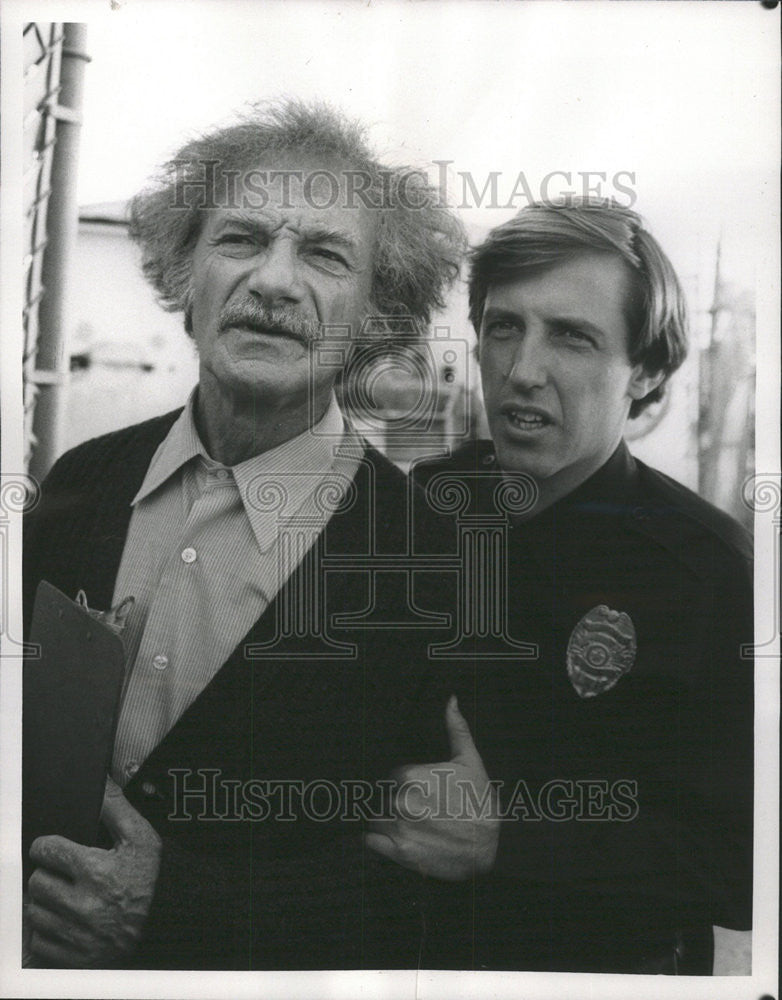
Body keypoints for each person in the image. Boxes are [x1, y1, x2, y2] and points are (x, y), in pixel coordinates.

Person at [22, 99, 488, 969]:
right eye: (240, 239)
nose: (274, 281)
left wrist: (170, 910)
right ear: (181, 274)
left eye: (323, 253)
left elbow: (421, 885)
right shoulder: (81, 482)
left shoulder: (429, 556)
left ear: (378, 316)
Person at [411, 200, 753, 974]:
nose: (523, 370)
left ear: (648, 374)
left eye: (572, 336)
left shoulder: (711, 572)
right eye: (505, 327)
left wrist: (512, 842)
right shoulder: (422, 508)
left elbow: (745, 863)